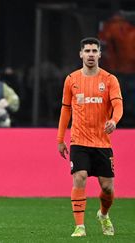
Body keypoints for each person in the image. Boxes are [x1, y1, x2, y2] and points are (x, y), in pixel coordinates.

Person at [57, 37, 123, 237]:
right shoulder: (71, 80)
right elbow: (65, 111)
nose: (91, 54)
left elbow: (118, 105)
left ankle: (103, 215)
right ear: (81, 54)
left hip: (102, 142)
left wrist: (114, 120)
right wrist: (60, 139)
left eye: (95, 51)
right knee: (80, 177)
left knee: (107, 188)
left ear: (100, 54)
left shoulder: (110, 79)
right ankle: (80, 226)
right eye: (87, 51)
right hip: (79, 141)